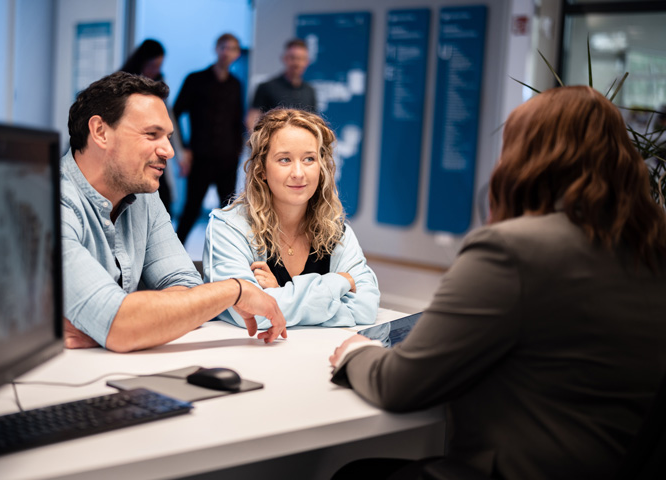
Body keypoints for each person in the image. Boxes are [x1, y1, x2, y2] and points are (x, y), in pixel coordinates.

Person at [328, 86, 666, 480]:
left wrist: (357, 352)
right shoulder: (652, 243)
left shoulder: (513, 249)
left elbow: (399, 385)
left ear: (527, 158)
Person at [61, 72, 287, 352]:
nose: (169, 150)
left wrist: (120, 324)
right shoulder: (52, 203)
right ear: (100, 132)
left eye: (167, 136)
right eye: (152, 134)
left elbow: (187, 285)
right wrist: (235, 290)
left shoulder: (144, 196)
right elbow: (120, 326)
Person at [203, 108, 379, 329]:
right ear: (262, 170)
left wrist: (278, 295)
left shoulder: (337, 232)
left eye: (309, 159)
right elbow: (250, 314)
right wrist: (339, 283)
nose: (298, 173)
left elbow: (366, 308)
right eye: (284, 159)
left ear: (321, 167)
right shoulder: (227, 228)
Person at [173, 33, 245, 243]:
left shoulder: (235, 84)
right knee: (191, 209)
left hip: (227, 158)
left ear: (237, 53)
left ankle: (228, 257)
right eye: (223, 47)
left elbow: (236, 120)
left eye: (232, 48)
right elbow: (175, 113)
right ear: (216, 49)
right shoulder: (195, 80)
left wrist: (239, 150)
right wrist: (183, 148)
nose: (227, 52)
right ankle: (175, 255)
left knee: (228, 212)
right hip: (201, 157)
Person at [120, 39, 173, 214]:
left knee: (164, 196)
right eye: (152, 65)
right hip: (133, 149)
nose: (155, 70)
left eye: (159, 65)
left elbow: (169, 117)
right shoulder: (123, 84)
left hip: (152, 148)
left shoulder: (159, 85)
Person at [246, 39, 317, 133]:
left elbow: (314, 122)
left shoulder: (310, 91)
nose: (296, 63)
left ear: (307, 62)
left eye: (301, 59)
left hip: (302, 145)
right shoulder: (266, 87)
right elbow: (252, 119)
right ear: (284, 58)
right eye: (292, 58)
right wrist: (261, 144)